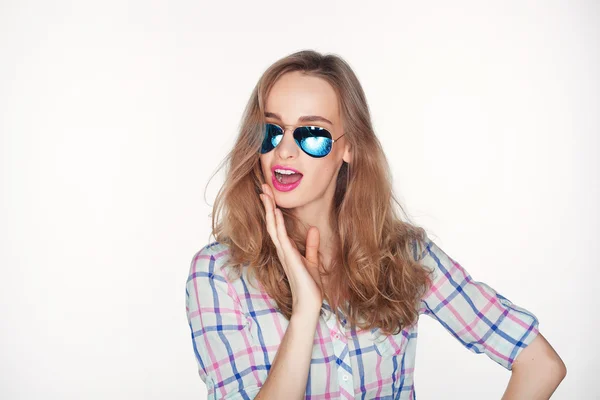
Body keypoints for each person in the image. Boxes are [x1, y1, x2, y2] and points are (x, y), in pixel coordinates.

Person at [185, 50, 566, 399]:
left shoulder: (403, 255)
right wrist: (305, 311)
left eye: (312, 134)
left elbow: (540, 365)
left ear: (348, 148)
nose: (284, 150)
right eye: (272, 131)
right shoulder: (220, 275)